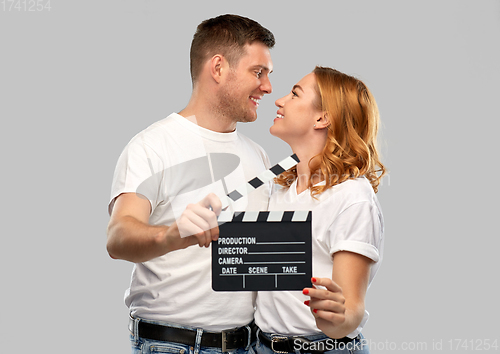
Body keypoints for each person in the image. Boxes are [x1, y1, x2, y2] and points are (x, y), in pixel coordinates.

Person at [106, 14, 275, 353]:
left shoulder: (259, 156)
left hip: (248, 343)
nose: (268, 87)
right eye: (258, 73)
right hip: (173, 345)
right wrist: (172, 234)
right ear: (218, 68)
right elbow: (118, 237)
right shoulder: (152, 146)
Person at [252, 66, 386, 354]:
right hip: (260, 346)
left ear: (322, 118)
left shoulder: (352, 197)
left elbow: (350, 311)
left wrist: (335, 317)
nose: (279, 100)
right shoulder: (278, 187)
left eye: (295, 94)